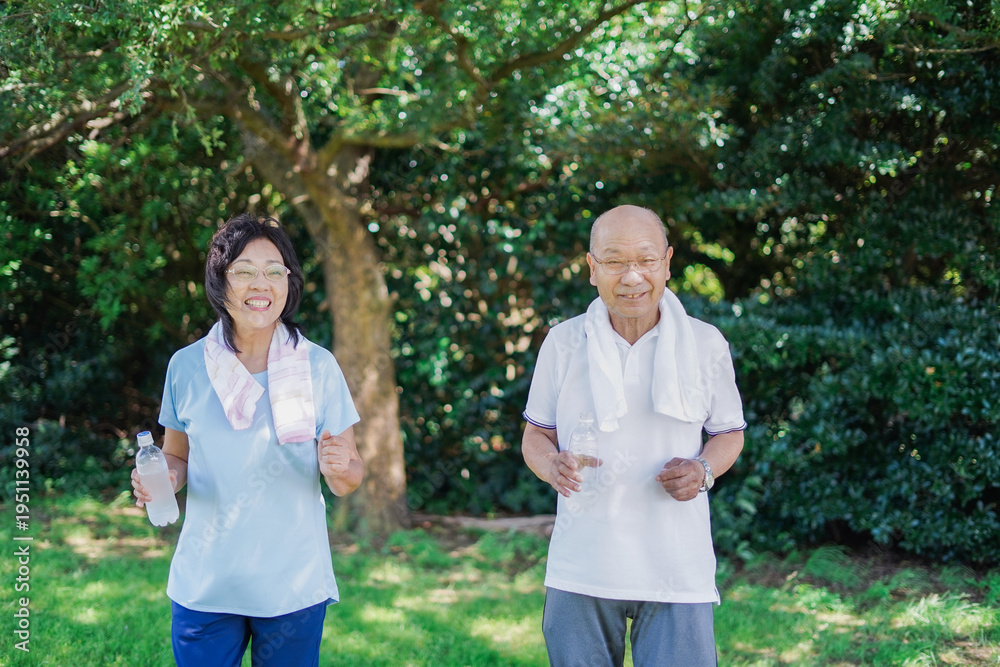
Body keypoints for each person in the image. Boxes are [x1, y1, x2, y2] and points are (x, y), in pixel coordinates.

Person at [131, 213, 365, 666]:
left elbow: (349, 476)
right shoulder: (186, 366)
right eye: (244, 271)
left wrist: (340, 469)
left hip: (292, 583)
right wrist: (162, 479)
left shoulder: (318, 367)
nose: (262, 284)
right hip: (206, 582)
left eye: (275, 271)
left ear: (288, 283)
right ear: (220, 281)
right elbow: (176, 457)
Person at [521, 205, 746, 667]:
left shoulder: (705, 344)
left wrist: (703, 469)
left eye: (646, 260)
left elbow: (729, 434)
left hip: (676, 569)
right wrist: (550, 465)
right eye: (615, 261)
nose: (632, 276)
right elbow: (536, 434)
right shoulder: (563, 342)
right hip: (582, 566)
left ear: (667, 263)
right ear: (592, 268)